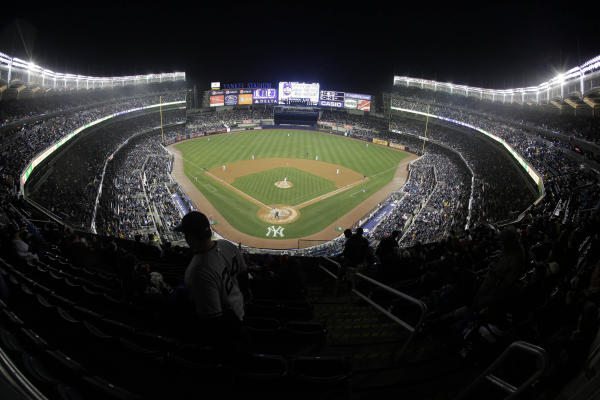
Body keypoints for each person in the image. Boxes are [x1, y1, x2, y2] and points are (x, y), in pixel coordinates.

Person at [175, 211, 248, 359]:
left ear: (190, 238)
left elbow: (213, 321)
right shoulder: (228, 245)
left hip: (229, 330)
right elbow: (244, 276)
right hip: (241, 309)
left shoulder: (198, 270)